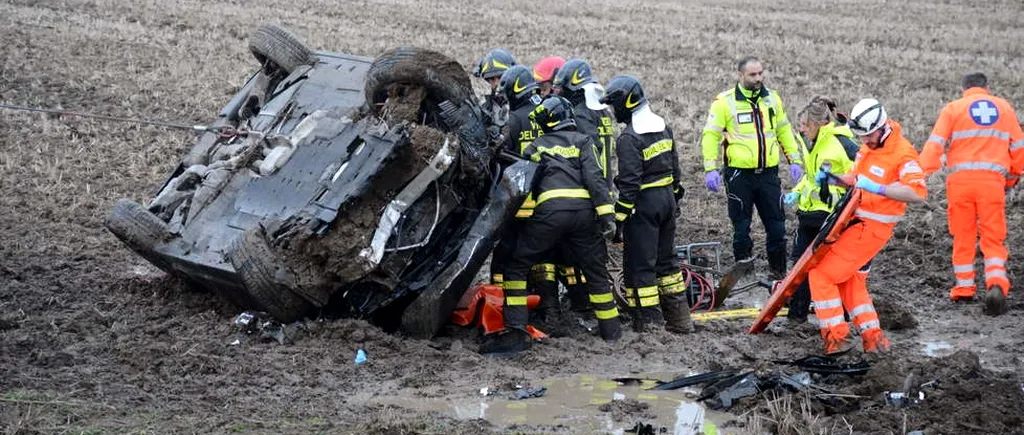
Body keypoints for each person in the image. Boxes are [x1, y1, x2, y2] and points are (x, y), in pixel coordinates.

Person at [479, 96, 621, 355]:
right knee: (596, 273)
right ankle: (612, 333)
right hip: (583, 216)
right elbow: (596, 181)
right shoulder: (583, 141)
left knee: (517, 266)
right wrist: (607, 218)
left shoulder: (535, 147)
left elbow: (525, 185)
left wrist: (522, 222)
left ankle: (517, 328)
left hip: (549, 216)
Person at [808, 98, 927, 354]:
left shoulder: (902, 154)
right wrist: (835, 179)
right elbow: (857, 179)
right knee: (851, 282)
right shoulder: (867, 147)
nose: (863, 141)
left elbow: (917, 192)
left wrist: (881, 189)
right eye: (860, 137)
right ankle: (874, 340)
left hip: (871, 229)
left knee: (821, 276)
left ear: (881, 127)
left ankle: (836, 340)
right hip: (856, 223)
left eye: (867, 136)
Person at [919, 72, 1024, 316]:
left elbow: (935, 144)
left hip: (960, 183)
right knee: (992, 237)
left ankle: (964, 288)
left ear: (963, 88)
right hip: (992, 183)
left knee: (963, 234)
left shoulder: (953, 108)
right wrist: (1012, 178)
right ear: (987, 87)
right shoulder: (1004, 108)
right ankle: (996, 283)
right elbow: (1019, 149)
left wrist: (920, 173)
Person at [600, 75, 690, 333]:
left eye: (614, 105)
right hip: (667, 202)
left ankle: (649, 323)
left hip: (644, 206)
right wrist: (673, 200)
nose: (613, 110)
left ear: (625, 103)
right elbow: (675, 171)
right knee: (668, 264)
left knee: (640, 267)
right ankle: (680, 320)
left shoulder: (629, 138)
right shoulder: (664, 127)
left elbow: (629, 187)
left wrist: (617, 219)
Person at [701, 56, 803, 280]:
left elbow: (784, 130)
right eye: (753, 75)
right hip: (739, 176)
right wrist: (710, 167)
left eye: (760, 74)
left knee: (777, 227)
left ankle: (778, 273)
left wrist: (794, 159)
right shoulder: (724, 102)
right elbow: (710, 135)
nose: (758, 79)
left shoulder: (772, 99)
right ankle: (744, 274)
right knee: (741, 228)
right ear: (741, 75)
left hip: (768, 175)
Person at [488, 65, 563, 325]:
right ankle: (550, 313)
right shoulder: (549, 110)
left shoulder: (515, 118)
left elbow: (501, 156)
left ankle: (502, 311)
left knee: (507, 259)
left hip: (521, 202)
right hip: (553, 197)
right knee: (545, 260)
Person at [782, 97, 860, 324]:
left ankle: (843, 317)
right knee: (799, 266)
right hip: (808, 215)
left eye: (805, 125)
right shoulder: (809, 143)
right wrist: (797, 191)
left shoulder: (842, 144)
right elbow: (811, 177)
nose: (801, 130)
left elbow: (862, 172)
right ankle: (796, 317)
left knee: (833, 269)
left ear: (817, 124)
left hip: (832, 217)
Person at [472, 49, 516, 144]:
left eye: (500, 77)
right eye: (491, 79)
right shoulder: (485, 106)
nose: (496, 83)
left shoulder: (523, 102)